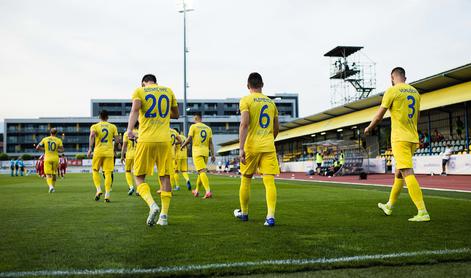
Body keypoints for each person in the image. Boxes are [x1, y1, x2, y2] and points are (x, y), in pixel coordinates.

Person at [365, 67, 430, 222]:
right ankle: (389, 205)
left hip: (400, 138)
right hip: (413, 138)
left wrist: (369, 128)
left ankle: (422, 211)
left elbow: (380, 115)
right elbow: (417, 116)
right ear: (405, 77)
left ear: (392, 77)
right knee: (399, 173)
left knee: (407, 171)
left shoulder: (392, 91)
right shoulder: (415, 92)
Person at [127, 74, 179, 226]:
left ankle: (152, 204)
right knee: (165, 177)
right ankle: (163, 216)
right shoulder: (168, 91)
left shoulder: (139, 91)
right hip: (164, 140)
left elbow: (135, 110)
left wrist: (130, 129)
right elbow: (176, 114)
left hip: (146, 139)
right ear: (155, 81)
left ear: (144, 83)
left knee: (139, 176)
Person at [233, 72, 280, 227]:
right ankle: (270, 216)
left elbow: (244, 124)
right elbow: (276, 128)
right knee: (269, 181)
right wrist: (268, 140)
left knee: (246, 179)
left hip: (251, 146)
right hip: (268, 145)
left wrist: (241, 148)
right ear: (262, 85)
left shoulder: (246, 100)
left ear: (248, 86)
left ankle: (244, 213)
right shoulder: (271, 103)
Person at [181, 112, 215, 199]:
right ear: (201, 118)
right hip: (205, 152)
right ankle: (196, 190)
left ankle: (208, 191)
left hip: (197, 152)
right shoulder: (208, 128)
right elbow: (211, 143)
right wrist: (213, 154)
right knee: (201, 172)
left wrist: (183, 146)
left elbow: (189, 139)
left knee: (202, 171)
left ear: (196, 118)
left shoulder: (193, 126)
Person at [87, 110, 120, 203]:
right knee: (108, 173)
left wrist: (90, 148)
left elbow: (92, 135)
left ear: (99, 117)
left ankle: (98, 189)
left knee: (95, 170)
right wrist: (114, 150)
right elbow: (117, 140)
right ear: (107, 117)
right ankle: (107, 194)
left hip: (98, 152)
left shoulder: (95, 126)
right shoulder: (113, 126)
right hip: (109, 152)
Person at [35, 128, 64, 193]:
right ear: (56, 133)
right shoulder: (58, 140)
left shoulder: (45, 139)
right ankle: (53, 188)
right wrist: (56, 149)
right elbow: (62, 150)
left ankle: (50, 186)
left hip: (47, 158)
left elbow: (37, 147)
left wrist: (45, 149)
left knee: (48, 174)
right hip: (55, 158)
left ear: (50, 132)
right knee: (54, 174)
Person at [121, 123, 139, 195]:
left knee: (128, 171)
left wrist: (122, 156)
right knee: (137, 172)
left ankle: (131, 187)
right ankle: (138, 189)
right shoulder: (140, 132)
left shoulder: (126, 133)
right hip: (138, 155)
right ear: (138, 125)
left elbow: (124, 146)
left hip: (129, 155)